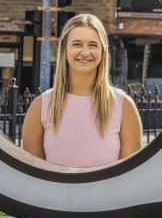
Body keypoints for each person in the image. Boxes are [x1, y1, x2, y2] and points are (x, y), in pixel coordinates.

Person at [22, 13, 143, 168]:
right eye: (77, 44)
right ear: (64, 50)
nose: (85, 52)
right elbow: (33, 174)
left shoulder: (123, 106)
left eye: (93, 45)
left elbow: (129, 174)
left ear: (103, 51)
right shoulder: (40, 107)